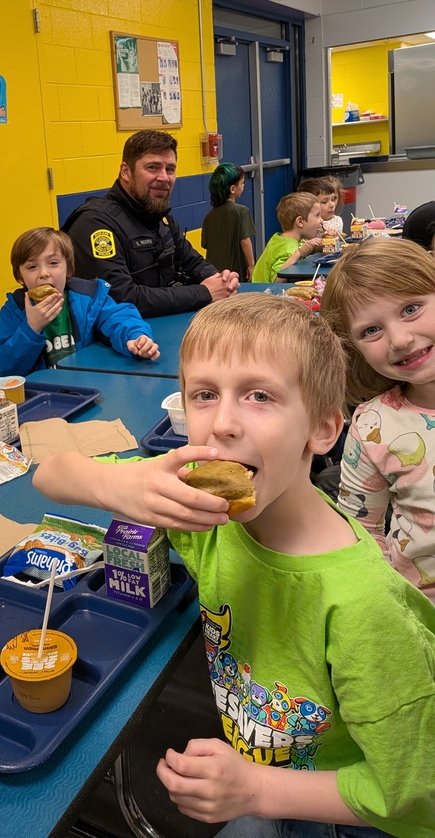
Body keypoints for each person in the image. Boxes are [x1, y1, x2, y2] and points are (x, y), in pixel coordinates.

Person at [34, 293, 435, 837]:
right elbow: (51, 473)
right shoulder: (208, 517)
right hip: (266, 759)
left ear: (322, 429)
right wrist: (121, 483)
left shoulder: (363, 606)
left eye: (259, 395)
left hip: (344, 807)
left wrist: (257, 790)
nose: (221, 423)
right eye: (203, 394)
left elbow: (411, 795)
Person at [322, 237, 435, 604]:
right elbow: (363, 531)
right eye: (371, 331)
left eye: (411, 308)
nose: (400, 339)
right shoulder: (372, 425)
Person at [62, 129, 239, 317]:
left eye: (170, 169)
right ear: (126, 172)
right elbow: (121, 297)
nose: (164, 177)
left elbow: (191, 261)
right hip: (116, 340)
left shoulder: (159, 216)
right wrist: (203, 293)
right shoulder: (95, 224)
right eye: (153, 167)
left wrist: (221, 281)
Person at [0, 227, 158, 376]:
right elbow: (4, 369)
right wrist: (32, 328)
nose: (43, 273)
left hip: (87, 385)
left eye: (53, 263)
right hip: (42, 396)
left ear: (68, 269)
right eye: (32, 267)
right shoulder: (14, 310)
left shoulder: (88, 297)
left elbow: (120, 318)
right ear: (20, 276)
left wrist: (136, 338)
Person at [200, 162, 256, 281]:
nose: (244, 186)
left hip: (215, 275)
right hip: (235, 274)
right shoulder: (242, 211)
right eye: (242, 183)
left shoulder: (209, 216)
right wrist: (251, 265)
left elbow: (204, 244)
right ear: (232, 189)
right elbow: (245, 240)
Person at [251, 192, 322, 283]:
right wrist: (298, 253)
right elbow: (277, 281)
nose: (321, 220)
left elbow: (305, 248)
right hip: (265, 294)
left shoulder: (280, 238)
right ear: (300, 222)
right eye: (317, 215)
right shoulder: (287, 250)